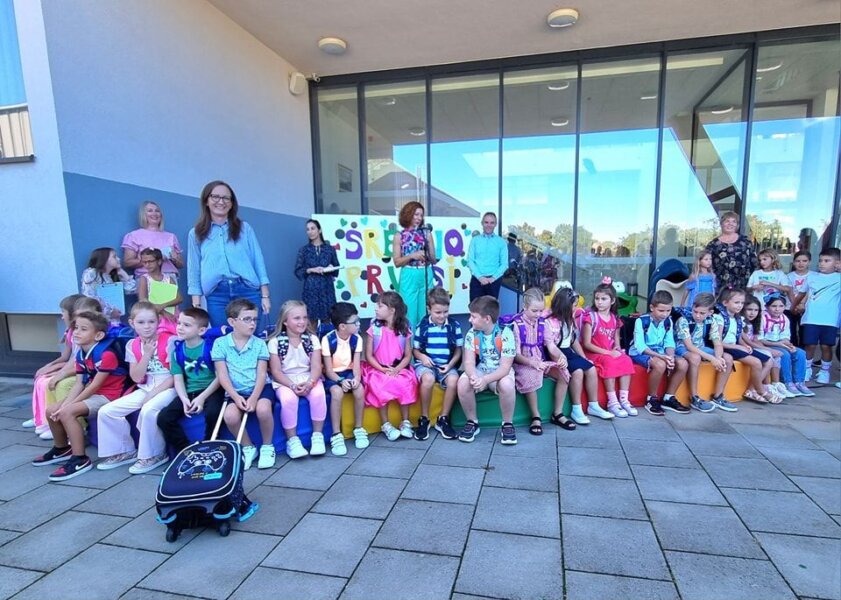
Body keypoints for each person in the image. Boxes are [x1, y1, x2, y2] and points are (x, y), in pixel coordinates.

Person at [32, 311, 133, 481]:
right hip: (94, 393)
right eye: (76, 327)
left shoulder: (106, 354)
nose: (77, 332)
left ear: (98, 335)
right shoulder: (80, 354)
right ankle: (62, 448)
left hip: (111, 396)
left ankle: (80, 459)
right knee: (51, 410)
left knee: (67, 413)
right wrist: (65, 404)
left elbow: (95, 385)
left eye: (83, 329)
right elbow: (79, 383)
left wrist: (68, 407)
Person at [95, 301, 177, 474]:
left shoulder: (170, 340)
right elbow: (136, 377)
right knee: (107, 411)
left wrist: (153, 394)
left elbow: (174, 376)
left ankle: (155, 454)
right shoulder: (132, 345)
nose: (147, 326)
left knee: (148, 409)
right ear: (132, 323)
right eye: (141, 322)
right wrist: (146, 355)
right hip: (146, 386)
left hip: (169, 387)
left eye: (151, 322)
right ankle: (123, 450)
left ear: (158, 321)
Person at [187, 181, 271, 327]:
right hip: (217, 294)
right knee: (222, 336)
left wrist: (265, 295)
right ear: (206, 201)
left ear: (232, 203)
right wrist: (197, 303)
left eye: (226, 198)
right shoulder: (195, 233)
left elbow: (258, 261)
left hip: (247, 290)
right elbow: (194, 269)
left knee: (252, 335)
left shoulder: (245, 228)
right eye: (215, 197)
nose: (221, 202)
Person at [213, 299, 275, 470]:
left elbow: (261, 374)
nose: (252, 324)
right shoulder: (220, 344)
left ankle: (267, 446)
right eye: (247, 319)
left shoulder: (259, 344)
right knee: (230, 416)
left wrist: (254, 398)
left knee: (263, 409)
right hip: (235, 391)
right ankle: (248, 447)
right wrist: (235, 396)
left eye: (255, 319)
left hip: (260, 388)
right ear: (232, 322)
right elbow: (222, 375)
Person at [156, 308, 227, 454]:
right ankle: (185, 449)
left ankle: (210, 444)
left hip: (212, 389)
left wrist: (202, 397)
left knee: (213, 412)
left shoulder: (210, 348)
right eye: (179, 323)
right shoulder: (177, 351)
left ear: (201, 330)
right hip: (190, 391)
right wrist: (184, 399)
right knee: (164, 418)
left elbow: (220, 377)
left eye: (186, 325)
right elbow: (178, 379)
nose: (180, 327)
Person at [267, 300, 327, 459]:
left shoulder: (312, 339)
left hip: (309, 377)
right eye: (297, 318)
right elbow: (276, 371)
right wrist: (292, 385)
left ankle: (317, 435)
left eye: (304, 317)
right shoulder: (275, 342)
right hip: (285, 380)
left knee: (318, 395)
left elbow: (316, 367)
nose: (302, 322)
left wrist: (310, 383)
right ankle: (292, 440)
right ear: (285, 321)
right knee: (288, 400)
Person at [546, 287, 614, 425]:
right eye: (574, 305)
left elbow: (573, 341)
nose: (576, 308)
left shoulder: (570, 319)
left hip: (568, 351)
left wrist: (583, 357)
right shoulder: (550, 322)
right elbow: (550, 346)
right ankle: (576, 408)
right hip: (555, 353)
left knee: (591, 368)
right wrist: (560, 358)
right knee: (577, 372)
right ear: (565, 306)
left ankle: (593, 405)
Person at [456, 295, 517, 445]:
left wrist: (485, 380)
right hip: (481, 369)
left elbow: (505, 368)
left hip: (499, 372)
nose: (469, 320)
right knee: (463, 383)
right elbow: (469, 362)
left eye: (473, 316)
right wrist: (473, 377)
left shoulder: (506, 334)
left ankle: (507, 424)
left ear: (487, 319)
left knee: (507, 384)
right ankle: (472, 422)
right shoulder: (472, 333)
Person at [25, 294, 84, 438]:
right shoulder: (70, 332)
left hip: (77, 371)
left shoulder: (80, 334)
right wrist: (49, 366)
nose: (62, 317)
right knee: (40, 379)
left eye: (63, 312)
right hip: (71, 367)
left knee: (52, 383)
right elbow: (67, 357)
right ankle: (41, 418)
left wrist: (59, 372)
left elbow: (77, 361)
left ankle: (55, 421)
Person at [362, 292, 418, 441]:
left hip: (398, 368)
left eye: (380, 306)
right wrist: (382, 369)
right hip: (378, 369)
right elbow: (369, 355)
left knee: (406, 383)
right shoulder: (374, 329)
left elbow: (408, 355)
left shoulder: (404, 329)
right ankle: (386, 424)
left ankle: (405, 422)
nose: (376, 309)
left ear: (392, 310)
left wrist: (398, 369)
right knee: (381, 385)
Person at [412, 287, 463, 441]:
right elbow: (415, 350)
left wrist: (450, 365)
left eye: (445, 312)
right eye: (438, 312)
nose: (442, 316)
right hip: (426, 365)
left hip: (446, 365)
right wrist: (422, 357)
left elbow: (458, 350)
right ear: (429, 309)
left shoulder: (454, 326)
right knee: (427, 379)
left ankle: (443, 418)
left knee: (454, 380)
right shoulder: (422, 326)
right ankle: (424, 418)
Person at [628, 290, 689, 416]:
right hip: (641, 353)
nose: (665, 314)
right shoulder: (641, 321)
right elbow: (640, 346)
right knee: (660, 364)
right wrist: (662, 357)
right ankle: (651, 399)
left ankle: (668, 397)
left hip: (660, 352)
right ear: (652, 307)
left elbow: (669, 342)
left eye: (668, 310)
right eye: (661, 310)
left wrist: (670, 357)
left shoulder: (668, 321)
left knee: (683, 364)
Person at [580, 281, 636, 417]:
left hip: (608, 352)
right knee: (609, 362)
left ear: (612, 301)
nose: (599, 302)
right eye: (597, 298)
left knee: (626, 360)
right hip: (594, 353)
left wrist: (617, 349)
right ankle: (612, 402)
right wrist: (609, 353)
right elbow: (586, 344)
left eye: (603, 299)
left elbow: (616, 341)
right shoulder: (591, 318)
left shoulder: (615, 319)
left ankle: (624, 400)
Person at [673, 293, 735, 412]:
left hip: (701, 347)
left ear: (710, 312)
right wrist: (712, 359)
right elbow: (689, 346)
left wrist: (718, 357)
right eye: (695, 311)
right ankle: (694, 397)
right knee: (695, 358)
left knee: (727, 358)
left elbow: (717, 343)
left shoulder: (711, 320)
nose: (697, 315)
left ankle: (718, 396)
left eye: (702, 313)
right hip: (681, 347)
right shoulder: (684, 320)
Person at [322, 302, 368, 456]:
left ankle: (359, 428)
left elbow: (356, 365)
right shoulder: (328, 340)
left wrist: (356, 378)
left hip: (349, 372)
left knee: (359, 389)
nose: (358, 324)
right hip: (334, 375)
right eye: (355, 322)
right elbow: (328, 370)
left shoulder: (357, 339)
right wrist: (340, 381)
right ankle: (336, 434)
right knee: (337, 392)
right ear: (342, 326)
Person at [717, 288, 777, 403]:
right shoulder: (720, 318)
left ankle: (751, 390)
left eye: (742, 303)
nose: (740, 306)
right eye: (736, 302)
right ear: (725, 303)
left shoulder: (738, 319)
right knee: (756, 362)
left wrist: (745, 345)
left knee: (769, 361)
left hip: (736, 346)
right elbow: (718, 342)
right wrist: (738, 347)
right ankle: (761, 391)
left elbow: (738, 337)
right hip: (726, 348)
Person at [511, 288, 556, 435]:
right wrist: (533, 363)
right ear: (524, 307)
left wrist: (561, 357)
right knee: (530, 376)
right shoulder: (516, 325)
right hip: (522, 363)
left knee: (563, 372)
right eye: (534, 311)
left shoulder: (544, 323)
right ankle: (536, 416)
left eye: (541, 311)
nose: (538, 314)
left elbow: (551, 345)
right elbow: (515, 355)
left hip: (540, 360)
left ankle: (558, 413)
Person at [798, 247, 840, 385]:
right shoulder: (811, 277)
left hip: (830, 320)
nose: (822, 263)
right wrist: (796, 305)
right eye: (821, 260)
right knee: (809, 344)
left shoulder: (839, 278)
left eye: (827, 261)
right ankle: (806, 369)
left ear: (837, 263)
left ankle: (824, 371)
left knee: (826, 346)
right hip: (811, 318)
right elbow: (803, 293)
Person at [392, 201, 437, 327]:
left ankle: (424, 337)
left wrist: (428, 253)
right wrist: (412, 255)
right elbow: (397, 262)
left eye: (421, 215)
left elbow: (433, 259)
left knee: (426, 309)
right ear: (408, 214)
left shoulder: (426, 233)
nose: (419, 218)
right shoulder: (399, 236)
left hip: (425, 272)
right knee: (409, 310)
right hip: (409, 273)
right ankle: (409, 339)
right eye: (416, 214)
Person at [760, 294, 812, 397]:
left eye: (781, 306)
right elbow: (760, 339)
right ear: (766, 307)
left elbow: (785, 336)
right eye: (774, 306)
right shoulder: (762, 318)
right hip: (767, 344)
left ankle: (799, 382)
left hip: (780, 343)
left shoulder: (785, 318)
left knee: (800, 353)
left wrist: (788, 345)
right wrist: (779, 345)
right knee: (784, 354)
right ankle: (787, 382)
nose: (777, 309)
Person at [741, 294, 786, 400]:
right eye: (749, 309)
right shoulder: (741, 322)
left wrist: (768, 349)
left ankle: (773, 384)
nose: (752, 313)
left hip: (752, 347)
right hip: (745, 347)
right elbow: (748, 342)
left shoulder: (754, 323)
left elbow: (755, 340)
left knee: (774, 356)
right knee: (768, 356)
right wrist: (768, 349)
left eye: (756, 310)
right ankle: (754, 388)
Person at [294, 219, 340, 325]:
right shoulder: (304, 250)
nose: (310, 231)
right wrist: (310, 270)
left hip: (327, 289)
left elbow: (336, 270)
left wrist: (331, 268)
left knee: (327, 321)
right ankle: (312, 337)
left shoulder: (330, 249)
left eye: (313, 228)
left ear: (319, 230)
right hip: (311, 290)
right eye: (307, 229)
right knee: (311, 321)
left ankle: (325, 337)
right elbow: (298, 271)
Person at [121, 200, 183, 276]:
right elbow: (127, 263)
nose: (154, 213)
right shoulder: (133, 236)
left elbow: (181, 265)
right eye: (150, 211)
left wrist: (174, 258)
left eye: (157, 211)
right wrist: (153, 259)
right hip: (147, 277)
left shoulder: (171, 236)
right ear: (143, 214)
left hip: (170, 277)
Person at [80, 247, 137, 321]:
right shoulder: (92, 273)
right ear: (104, 259)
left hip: (114, 319)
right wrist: (110, 311)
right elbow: (90, 297)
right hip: (98, 318)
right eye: (114, 257)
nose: (119, 259)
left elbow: (132, 290)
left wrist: (124, 275)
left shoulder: (114, 275)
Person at [705, 211, 758, 291]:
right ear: (721, 224)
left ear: (737, 225)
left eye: (734, 221)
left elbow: (754, 263)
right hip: (720, 287)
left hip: (743, 286)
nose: (730, 224)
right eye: (727, 221)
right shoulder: (713, 244)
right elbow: (706, 264)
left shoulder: (746, 242)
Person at [137, 247, 182, 327]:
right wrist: (163, 312)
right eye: (144, 262)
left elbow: (179, 298)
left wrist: (163, 305)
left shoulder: (169, 278)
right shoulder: (144, 278)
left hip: (172, 314)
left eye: (150, 261)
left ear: (159, 261)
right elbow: (143, 300)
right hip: (154, 317)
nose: (147, 265)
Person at [467, 212, 507, 301]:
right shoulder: (475, 241)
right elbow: (470, 261)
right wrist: (480, 277)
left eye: (492, 223)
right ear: (482, 223)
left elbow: (504, 264)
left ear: (495, 224)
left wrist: (493, 278)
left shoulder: (501, 242)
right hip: (477, 280)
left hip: (494, 282)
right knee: (475, 307)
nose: (489, 225)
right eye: (486, 222)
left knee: (491, 308)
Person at [786, 250, 813, 347]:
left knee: (804, 332)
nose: (801, 263)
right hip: (790, 307)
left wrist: (802, 304)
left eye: (804, 261)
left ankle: (803, 352)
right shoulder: (789, 276)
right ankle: (793, 350)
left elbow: (810, 291)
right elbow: (789, 291)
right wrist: (795, 305)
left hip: (806, 308)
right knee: (791, 331)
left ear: (809, 262)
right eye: (798, 261)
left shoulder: (814, 276)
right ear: (793, 262)